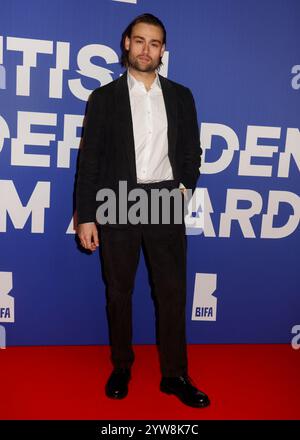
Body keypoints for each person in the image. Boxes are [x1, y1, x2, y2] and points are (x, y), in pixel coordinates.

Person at [76, 13, 210, 408]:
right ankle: (121, 365)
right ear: (126, 44)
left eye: (154, 43)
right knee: (119, 293)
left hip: (166, 200)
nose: (146, 49)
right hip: (117, 200)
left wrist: (184, 188)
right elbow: (90, 164)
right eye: (139, 41)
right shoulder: (103, 99)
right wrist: (86, 215)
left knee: (171, 294)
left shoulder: (182, 96)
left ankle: (174, 374)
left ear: (163, 50)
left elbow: (191, 152)